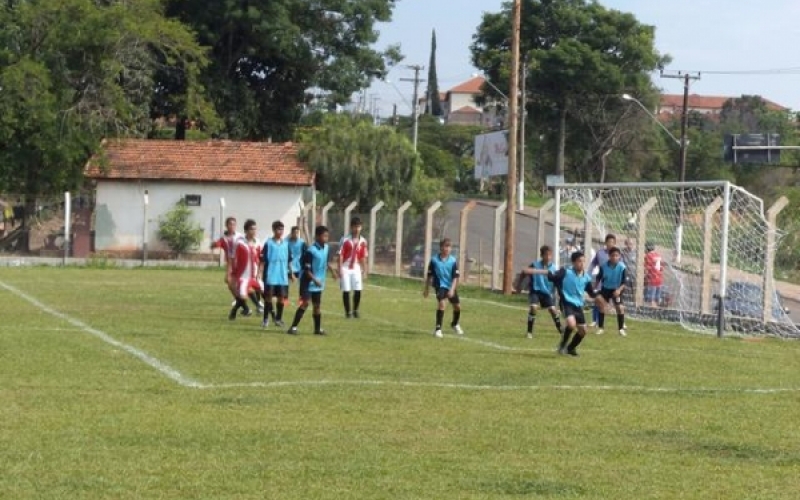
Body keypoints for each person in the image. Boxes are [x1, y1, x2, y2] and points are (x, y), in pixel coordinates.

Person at [529, 251, 602, 356]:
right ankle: (562, 345)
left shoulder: (586, 277)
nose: (581, 263)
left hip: (578, 306)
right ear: (573, 262)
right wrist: (546, 273)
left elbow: (591, 293)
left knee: (583, 331)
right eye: (579, 261)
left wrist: (599, 296)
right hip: (566, 303)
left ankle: (570, 348)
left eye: (583, 261)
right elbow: (553, 277)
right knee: (571, 324)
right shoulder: (566, 272)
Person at [288, 226, 339, 335]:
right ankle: (293, 327)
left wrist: (333, 271)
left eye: (327, 236)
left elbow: (326, 262)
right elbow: (306, 270)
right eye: (324, 236)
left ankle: (317, 329)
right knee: (305, 303)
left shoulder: (326, 248)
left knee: (317, 306)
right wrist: (315, 280)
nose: (326, 238)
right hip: (307, 282)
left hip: (318, 282)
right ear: (317, 236)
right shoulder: (311, 251)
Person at [515, 245, 563, 339]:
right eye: (546, 255)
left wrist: (560, 292)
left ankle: (560, 329)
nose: (548, 257)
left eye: (550, 255)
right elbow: (524, 272)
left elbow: (557, 280)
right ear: (542, 255)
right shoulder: (535, 265)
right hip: (535, 291)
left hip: (546, 293)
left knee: (553, 310)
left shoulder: (553, 268)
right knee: (533, 307)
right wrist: (519, 285)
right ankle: (529, 332)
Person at [423, 238, 464, 338]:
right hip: (439, 286)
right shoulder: (434, 260)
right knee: (442, 304)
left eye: (449, 247)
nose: (447, 249)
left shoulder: (453, 261)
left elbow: (455, 277)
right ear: (441, 248)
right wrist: (426, 289)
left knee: (457, 306)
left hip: (450, 286)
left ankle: (454, 324)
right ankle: (438, 329)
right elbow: (429, 276)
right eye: (445, 246)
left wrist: (452, 289)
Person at [260, 221, 293, 328]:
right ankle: (265, 319)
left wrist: (291, 273)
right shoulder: (269, 243)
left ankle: (278, 319)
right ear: (274, 230)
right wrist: (259, 273)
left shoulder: (286, 244)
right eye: (278, 229)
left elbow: (289, 260)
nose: (281, 231)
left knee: (281, 298)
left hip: (282, 276)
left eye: (282, 229)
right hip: (271, 274)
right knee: (268, 297)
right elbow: (262, 260)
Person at [229, 219, 263, 320]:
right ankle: (256, 306)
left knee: (253, 291)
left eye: (255, 229)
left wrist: (260, 271)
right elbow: (233, 257)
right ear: (246, 230)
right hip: (243, 273)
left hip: (255, 272)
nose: (254, 231)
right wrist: (233, 272)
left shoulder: (258, 242)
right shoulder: (239, 242)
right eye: (252, 229)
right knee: (245, 294)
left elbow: (260, 257)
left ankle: (240, 309)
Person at [339, 217, 369, 318]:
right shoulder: (345, 239)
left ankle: (355, 310)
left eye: (359, 226)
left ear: (361, 227)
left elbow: (363, 256)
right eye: (355, 226)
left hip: (356, 267)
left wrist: (365, 270)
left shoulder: (363, 241)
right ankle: (348, 312)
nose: (357, 229)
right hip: (346, 267)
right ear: (351, 227)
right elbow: (341, 255)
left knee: (358, 289)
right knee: (346, 289)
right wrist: (340, 269)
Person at [595, 247, 628, 336]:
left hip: (616, 289)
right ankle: (600, 328)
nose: (614, 257)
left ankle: (621, 329)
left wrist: (618, 290)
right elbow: (598, 278)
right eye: (612, 255)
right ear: (609, 256)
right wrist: (595, 289)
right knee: (602, 307)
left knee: (620, 308)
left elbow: (624, 282)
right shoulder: (604, 266)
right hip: (605, 288)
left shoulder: (622, 267)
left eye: (616, 255)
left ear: (619, 257)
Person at [588, 234, 616, 327]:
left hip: (613, 282)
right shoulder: (600, 253)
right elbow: (593, 264)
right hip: (600, 281)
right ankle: (595, 320)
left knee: (616, 302)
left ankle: (621, 322)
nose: (610, 244)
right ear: (606, 242)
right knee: (598, 300)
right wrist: (588, 274)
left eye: (612, 242)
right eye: (609, 242)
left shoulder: (616, 254)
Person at [212, 217, 241, 302]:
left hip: (240, 262)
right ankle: (238, 299)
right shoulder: (224, 238)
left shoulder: (239, 236)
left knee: (239, 282)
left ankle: (244, 300)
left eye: (234, 224)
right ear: (226, 225)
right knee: (228, 280)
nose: (232, 226)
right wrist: (213, 244)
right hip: (230, 263)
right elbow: (216, 244)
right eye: (230, 224)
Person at [287, 226, 306, 300]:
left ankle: (301, 299)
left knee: (302, 283)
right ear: (291, 233)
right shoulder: (286, 242)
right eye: (295, 232)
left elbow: (306, 253)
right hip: (288, 267)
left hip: (299, 267)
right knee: (286, 284)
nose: (296, 234)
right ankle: (285, 299)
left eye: (297, 232)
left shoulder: (302, 242)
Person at [644, 242, 664, 307]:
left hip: (652, 278)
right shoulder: (658, 255)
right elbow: (661, 268)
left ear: (646, 248)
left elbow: (647, 267)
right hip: (659, 277)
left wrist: (645, 276)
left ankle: (652, 306)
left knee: (651, 297)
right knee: (657, 297)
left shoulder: (648, 256)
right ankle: (657, 306)